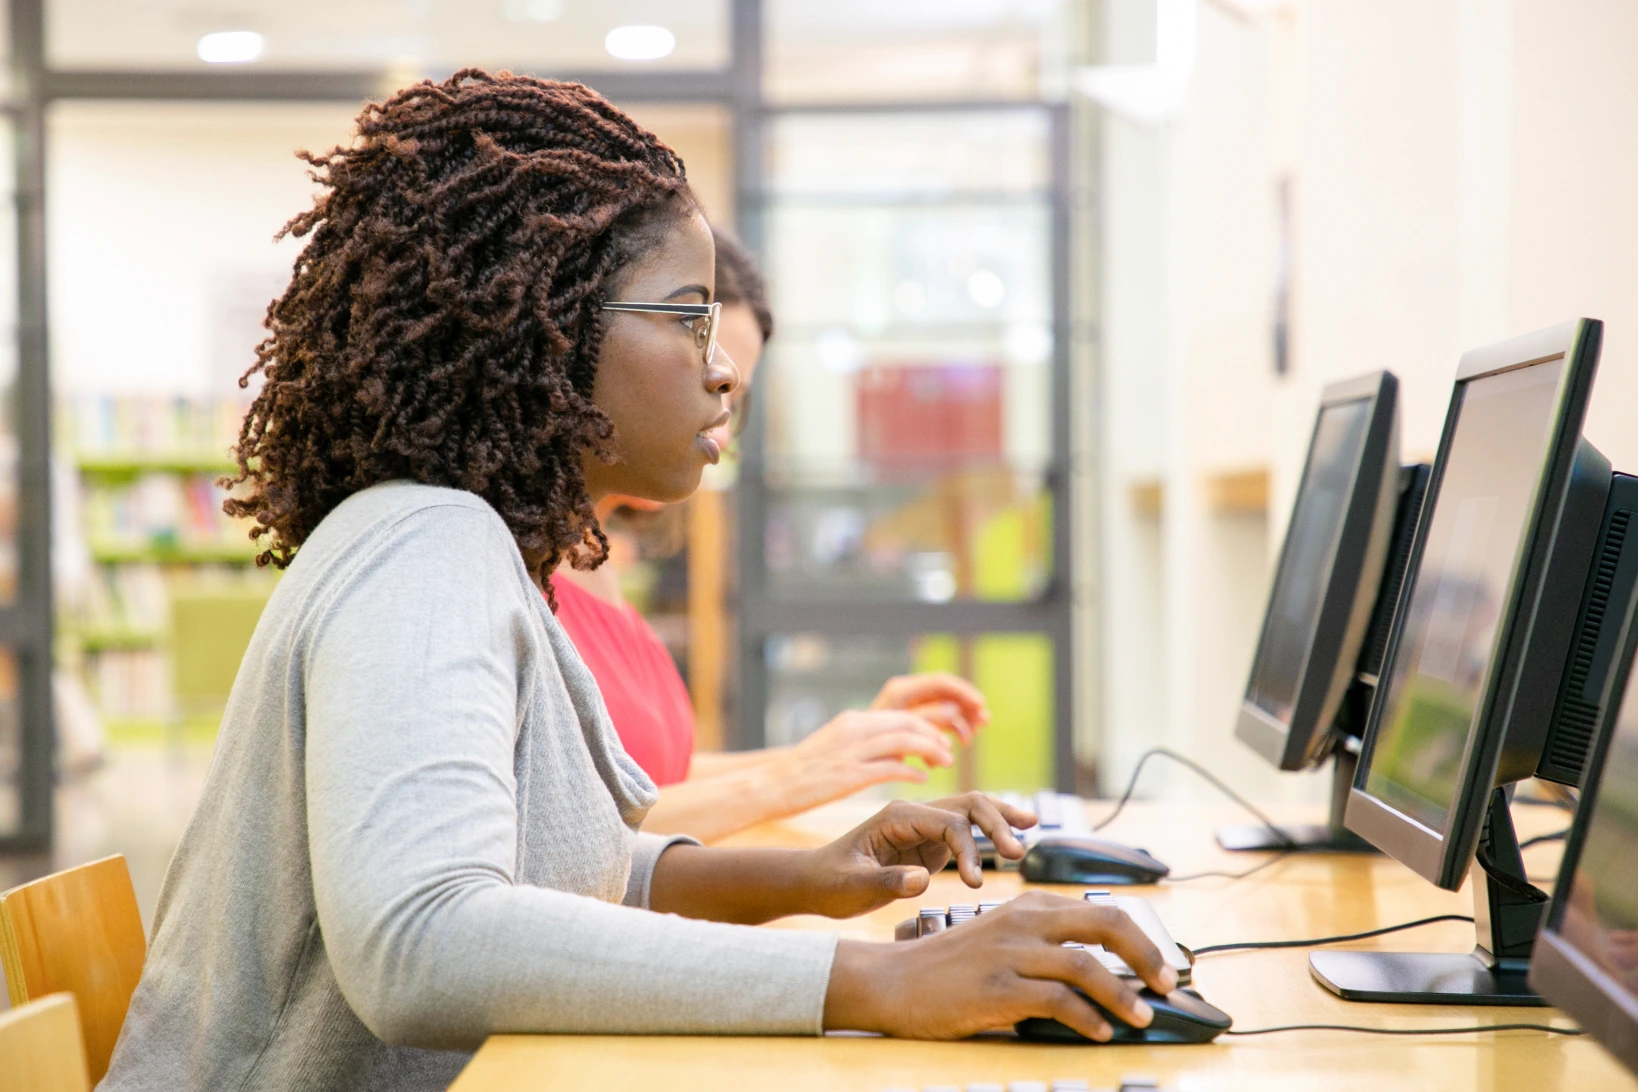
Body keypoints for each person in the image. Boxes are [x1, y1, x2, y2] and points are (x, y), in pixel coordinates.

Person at [100, 72, 1174, 1091]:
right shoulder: (424, 547)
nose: (721, 369)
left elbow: (575, 868)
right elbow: (423, 940)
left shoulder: (488, 554)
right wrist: (873, 978)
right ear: (549, 327)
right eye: (689, 316)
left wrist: (809, 876)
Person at [552, 228, 988, 841]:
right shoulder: (507, 565)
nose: (720, 423)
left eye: (734, 394)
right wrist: (793, 777)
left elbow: (649, 782)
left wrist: (840, 750)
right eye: (702, 364)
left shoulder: (590, 555)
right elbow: (570, 834)